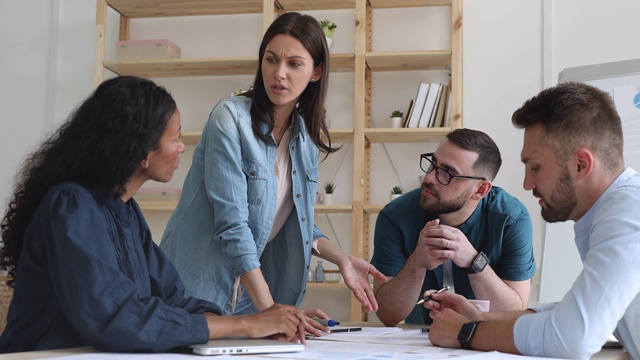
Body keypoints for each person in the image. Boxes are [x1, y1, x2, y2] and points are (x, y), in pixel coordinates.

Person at [0, 76, 309, 353]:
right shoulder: (70, 205)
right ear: (141, 150)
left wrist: (266, 322)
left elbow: (175, 300)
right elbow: (117, 318)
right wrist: (244, 326)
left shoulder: (126, 211)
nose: (181, 148)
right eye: (175, 138)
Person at [159, 11, 386, 328]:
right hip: (194, 290)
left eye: (294, 64)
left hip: (248, 298)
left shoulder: (303, 139)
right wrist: (272, 314)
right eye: (270, 59)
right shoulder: (230, 119)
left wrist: (342, 259)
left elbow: (296, 218)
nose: (279, 73)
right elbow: (233, 224)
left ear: (316, 71)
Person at [426, 82, 640, 359]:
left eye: (535, 167)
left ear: (581, 164)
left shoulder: (628, 211)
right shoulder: (614, 210)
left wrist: (465, 333)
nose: (527, 183)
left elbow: (573, 337)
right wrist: (482, 319)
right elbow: (576, 311)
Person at [371, 128, 536, 326]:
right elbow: (388, 316)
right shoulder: (395, 217)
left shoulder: (511, 219)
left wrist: (474, 261)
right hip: (418, 343)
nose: (430, 178)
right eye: (433, 164)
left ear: (480, 189)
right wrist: (417, 263)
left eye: (448, 173)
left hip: (486, 344)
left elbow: (513, 314)